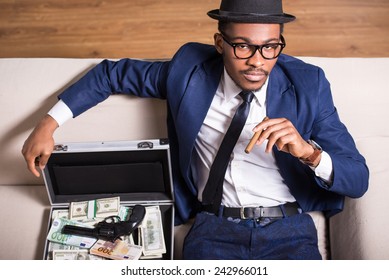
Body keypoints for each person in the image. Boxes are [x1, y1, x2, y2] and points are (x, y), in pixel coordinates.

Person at [22, 0, 368, 259]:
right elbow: (112, 73)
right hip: (213, 228)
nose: (257, 61)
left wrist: (310, 153)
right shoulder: (187, 73)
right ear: (220, 43)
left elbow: (357, 179)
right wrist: (48, 123)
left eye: (270, 47)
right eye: (243, 46)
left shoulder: (309, 84)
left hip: (288, 229)